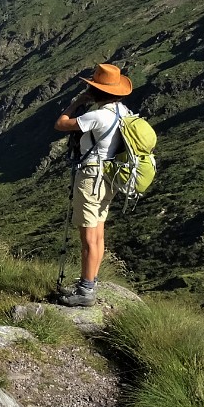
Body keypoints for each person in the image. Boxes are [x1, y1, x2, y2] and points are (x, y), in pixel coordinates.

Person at [52, 62, 134, 307]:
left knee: (87, 236)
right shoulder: (124, 112)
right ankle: (91, 281)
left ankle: (85, 291)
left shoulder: (97, 116)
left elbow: (61, 124)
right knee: (98, 232)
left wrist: (78, 102)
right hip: (109, 176)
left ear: (97, 91)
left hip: (91, 177)